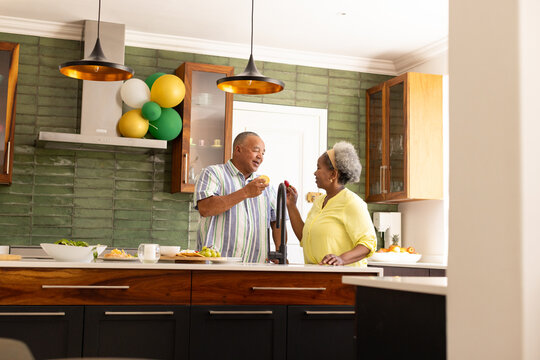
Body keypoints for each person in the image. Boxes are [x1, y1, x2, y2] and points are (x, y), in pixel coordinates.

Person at [194, 131, 281, 263]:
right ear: (238, 149)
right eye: (256, 150)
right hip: (216, 267)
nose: (260, 157)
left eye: (263, 153)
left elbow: (277, 221)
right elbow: (205, 208)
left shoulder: (265, 185)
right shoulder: (213, 173)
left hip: (256, 266)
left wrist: (279, 251)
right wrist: (245, 192)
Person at [285, 141, 377, 266]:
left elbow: (368, 244)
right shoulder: (319, 201)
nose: (315, 172)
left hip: (343, 278)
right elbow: (304, 237)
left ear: (333, 174)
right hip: (317, 275)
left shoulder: (352, 202)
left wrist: (342, 259)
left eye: (318, 168)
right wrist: (291, 205)